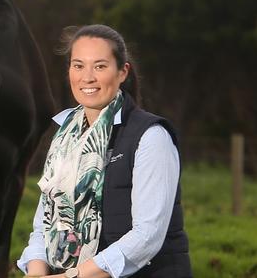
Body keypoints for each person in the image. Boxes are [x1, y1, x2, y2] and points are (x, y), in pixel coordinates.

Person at [17, 24, 191, 278]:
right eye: (78, 65)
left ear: (122, 72)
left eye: (100, 66)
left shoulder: (151, 136)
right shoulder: (64, 136)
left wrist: (72, 276)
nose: (87, 77)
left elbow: (148, 235)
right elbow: (44, 223)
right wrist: (35, 271)